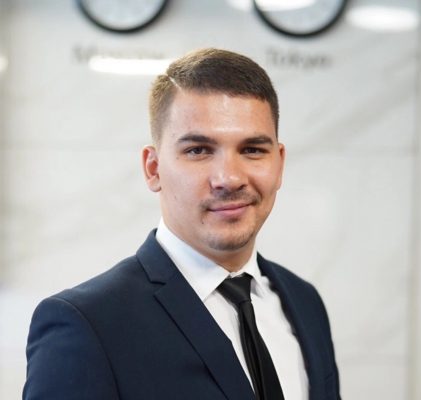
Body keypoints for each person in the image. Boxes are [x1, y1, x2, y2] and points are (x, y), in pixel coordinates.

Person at [23, 48, 340, 400]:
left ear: (278, 164)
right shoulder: (87, 325)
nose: (229, 178)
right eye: (198, 150)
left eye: (252, 149)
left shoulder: (305, 302)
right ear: (153, 168)